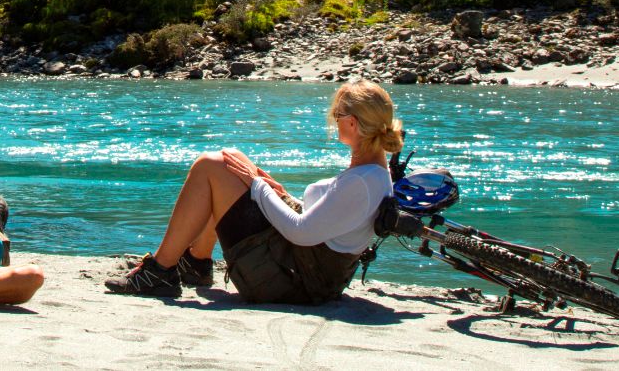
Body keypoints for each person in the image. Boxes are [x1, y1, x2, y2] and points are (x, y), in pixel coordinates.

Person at [104, 80, 402, 304]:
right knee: (233, 159)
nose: (333, 119)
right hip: (303, 270)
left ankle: (160, 272)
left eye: (337, 114)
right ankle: (195, 263)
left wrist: (259, 187)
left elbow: (301, 232)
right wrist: (282, 194)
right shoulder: (375, 174)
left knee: (210, 166)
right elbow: (330, 222)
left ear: (351, 122)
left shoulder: (361, 181)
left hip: (291, 282)